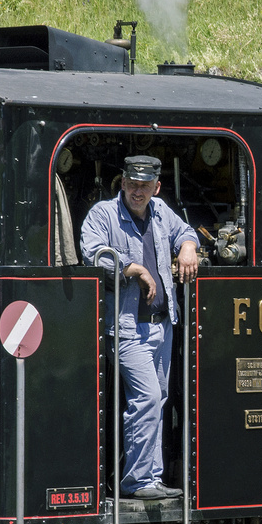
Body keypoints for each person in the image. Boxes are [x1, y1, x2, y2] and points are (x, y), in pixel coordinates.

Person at [80, 153, 200, 499]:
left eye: (145, 186)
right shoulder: (103, 214)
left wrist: (188, 248)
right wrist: (134, 268)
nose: (137, 191)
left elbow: (185, 231)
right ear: (122, 183)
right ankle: (136, 482)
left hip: (163, 324)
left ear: (156, 187)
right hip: (127, 327)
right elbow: (93, 253)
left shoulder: (161, 211)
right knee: (147, 397)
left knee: (159, 399)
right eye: (132, 185)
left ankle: (153, 477)